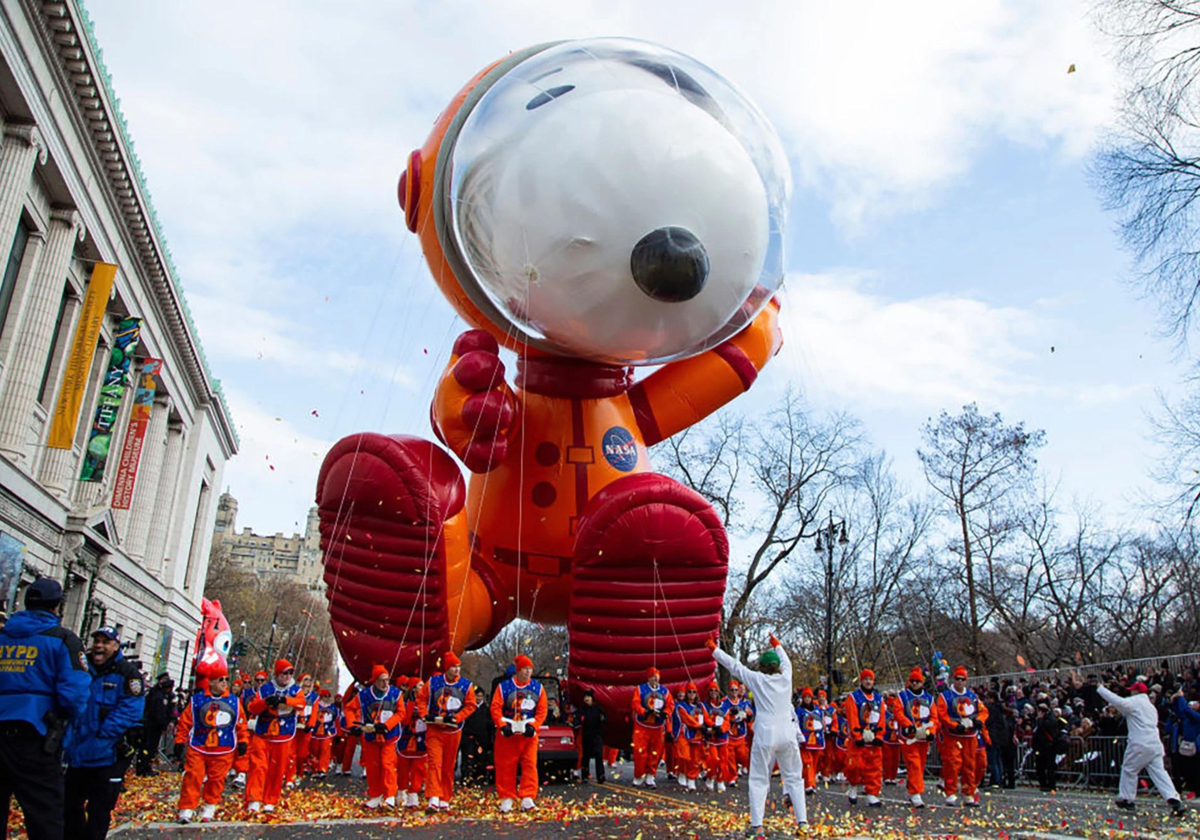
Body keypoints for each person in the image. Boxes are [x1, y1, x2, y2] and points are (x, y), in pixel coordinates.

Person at [0, 578, 90, 840]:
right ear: (56, 607)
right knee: (44, 815)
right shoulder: (62, 640)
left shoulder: (4, 637)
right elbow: (74, 694)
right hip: (36, 734)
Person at [710, 633, 806, 839]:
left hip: (764, 734)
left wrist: (714, 649)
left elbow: (735, 666)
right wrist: (778, 644)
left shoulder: (757, 679)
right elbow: (787, 661)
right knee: (794, 778)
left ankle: (757, 826)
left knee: (759, 779)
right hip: (787, 733)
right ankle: (802, 822)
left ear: (762, 667)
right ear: (777, 666)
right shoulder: (786, 677)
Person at [64, 625, 146, 839]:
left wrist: (102, 733)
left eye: (105, 642)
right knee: (68, 805)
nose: (99, 646)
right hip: (77, 753)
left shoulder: (127, 673)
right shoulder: (81, 666)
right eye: (96, 641)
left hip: (107, 755)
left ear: (116, 645)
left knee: (99, 812)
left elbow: (131, 709)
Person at [1081, 673, 1187, 817]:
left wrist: (1100, 688)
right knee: (1159, 772)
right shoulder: (1150, 707)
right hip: (1155, 743)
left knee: (1129, 769)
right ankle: (1174, 799)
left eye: (1133, 690)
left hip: (1140, 743)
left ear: (1137, 692)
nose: (1131, 692)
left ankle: (1127, 799)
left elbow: (1118, 701)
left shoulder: (1135, 702)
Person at [175, 662, 247, 823]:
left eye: (226, 679)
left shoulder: (234, 702)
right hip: (199, 746)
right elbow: (186, 721)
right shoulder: (197, 700)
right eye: (220, 679)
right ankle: (187, 808)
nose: (224, 683)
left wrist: (243, 741)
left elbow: (240, 723)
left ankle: (210, 805)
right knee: (193, 776)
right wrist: (180, 740)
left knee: (217, 779)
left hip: (223, 748)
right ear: (211, 682)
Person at [417, 652, 477, 811]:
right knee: (434, 763)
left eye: (458, 667)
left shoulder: (466, 685)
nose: (456, 670)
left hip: (453, 731)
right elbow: (421, 699)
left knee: (449, 765)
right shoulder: (433, 683)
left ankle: (445, 797)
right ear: (446, 668)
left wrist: (457, 718)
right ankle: (433, 798)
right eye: (453, 667)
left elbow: (470, 706)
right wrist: (425, 715)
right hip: (434, 730)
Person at [245, 659, 304, 813]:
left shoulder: (296, 690)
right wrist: (266, 702)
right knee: (258, 767)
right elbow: (253, 708)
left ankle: (270, 799)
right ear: (278, 674)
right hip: (263, 734)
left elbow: (301, 704)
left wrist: (285, 700)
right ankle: (254, 798)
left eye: (290, 673)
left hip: (283, 735)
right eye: (285, 673)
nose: (288, 676)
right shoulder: (265, 689)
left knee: (277, 769)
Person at [491, 654, 547, 813]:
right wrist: (502, 725)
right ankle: (507, 797)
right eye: (525, 669)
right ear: (518, 670)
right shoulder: (504, 687)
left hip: (528, 733)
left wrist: (535, 726)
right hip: (508, 733)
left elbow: (542, 710)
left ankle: (527, 797)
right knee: (506, 766)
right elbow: (495, 708)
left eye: (530, 669)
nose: (528, 672)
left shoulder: (538, 688)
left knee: (530, 764)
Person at [935, 666, 988, 807]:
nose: (959, 682)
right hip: (953, 736)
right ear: (954, 679)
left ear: (966, 681)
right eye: (957, 679)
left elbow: (983, 711)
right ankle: (951, 792)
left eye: (962, 679)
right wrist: (954, 725)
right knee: (953, 764)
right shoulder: (945, 696)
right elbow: (942, 714)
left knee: (969, 765)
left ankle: (968, 793)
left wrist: (978, 721)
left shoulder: (972, 696)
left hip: (970, 736)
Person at [351, 664, 402, 808]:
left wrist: (387, 725)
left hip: (389, 736)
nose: (385, 683)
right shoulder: (364, 695)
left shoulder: (395, 694)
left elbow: (400, 713)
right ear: (375, 681)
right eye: (382, 680)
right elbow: (349, 708)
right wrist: (353, 726)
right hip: (371, 736)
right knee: (373, 766)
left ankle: (390, 795)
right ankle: (375, 794)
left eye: (387, 680)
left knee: (388, 764)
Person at [844, 668, 886, 807]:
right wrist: (857, 736)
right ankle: (853, 785)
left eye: (870, 679)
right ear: (861, 681)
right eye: (866, 679)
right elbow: (852, 717)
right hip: (859, 739)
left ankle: (872, 794)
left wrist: (879, 735)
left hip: (873, 739)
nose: (868, 682)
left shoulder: (879, 699)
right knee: (855, 766)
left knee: (874, 767)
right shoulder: (853, 697)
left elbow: (882, 718)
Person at [897, 667, 937, 807]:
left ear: (922, 683)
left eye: (917, 681)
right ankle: (916, 793)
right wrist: (909, 725)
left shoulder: (929, 698)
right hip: (909, 738)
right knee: (913, 763)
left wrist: (931, 731)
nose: (915, 683)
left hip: (923, 738)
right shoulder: (903, 696)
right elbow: (899, 712)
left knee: (920, 765)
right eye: (912, 681)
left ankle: (912, 787)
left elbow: (934, 717)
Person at [630, 667, 672, 787]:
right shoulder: (640, 689)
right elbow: (635, 703)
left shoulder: (665, 692)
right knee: (639, 752)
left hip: (657, 727)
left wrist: (666, 713)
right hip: (642, 726)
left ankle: (650, 776)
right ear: (648, 678)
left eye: (657, 676)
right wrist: (644, 711)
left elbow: (670, 705)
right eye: (653, 676)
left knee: (655, 753)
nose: (655, 679)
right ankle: (638, 775)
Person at [395, 677, 427, 808]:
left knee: (419, 768)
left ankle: (414, 793)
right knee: (402, 767)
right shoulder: (404, 703)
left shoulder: (427, 703)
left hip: (421, 740)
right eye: (420, 685)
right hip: (405, 739)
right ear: (414, 688)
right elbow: (401, 720)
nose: (423, 687)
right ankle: (401, 791)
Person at [137, 673, 174, 776]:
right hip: (152, 725)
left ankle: (146, 766)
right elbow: (158, 712)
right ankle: (143, 767)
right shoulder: (157, 695)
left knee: (151, 748)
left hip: (153, 725)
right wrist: (163, 725)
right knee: (148, 747)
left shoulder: (160, 694)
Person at [701, 680, 733, 792]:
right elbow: (706, 718)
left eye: (715, 690)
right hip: (711, 738)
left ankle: (721, 780)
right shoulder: (705, 706)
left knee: (723, 761)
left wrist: (722, 729)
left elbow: (727, 721)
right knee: (713, 759)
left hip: (722, 738)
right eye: (711, 690)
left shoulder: (725, 706)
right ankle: (710, 777)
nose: (713, 692)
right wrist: (713, 726)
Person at [286, 673, 318, 785]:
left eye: (309, 680)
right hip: (293, 728)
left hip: (305, 730)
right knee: (291, 753)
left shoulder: (314, 697)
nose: (307, 683)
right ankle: (290, 777)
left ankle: (299, 773)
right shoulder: (294, 694)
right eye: (305, 680)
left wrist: (310, 724)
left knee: (302, 754)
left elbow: (314, 713)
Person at [794, 687, 825, 794]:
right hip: (805, 741)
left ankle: (810, 782)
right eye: (805, 697)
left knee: (814, 763)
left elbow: (821, 723)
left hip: (816, 741)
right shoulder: (799, 710)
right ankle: (808, 784)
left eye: (809, 697)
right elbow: (795, 724)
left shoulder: (817, 710)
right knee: (807, 762)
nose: (807, 699)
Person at [674, 683, 705, 790]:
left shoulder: (700, 706)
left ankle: (691, 779)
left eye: (694, 692)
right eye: (690, 692)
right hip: (684, 733)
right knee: (684, 756)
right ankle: (682, 772)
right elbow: (687, 719)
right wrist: (699, 726)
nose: (692, 694)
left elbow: (707, 717)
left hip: (697, 735)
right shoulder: (681, 706)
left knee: (695, 759)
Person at [574, 688, 607, 783]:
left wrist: (603, 719)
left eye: (588, 697)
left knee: (599, 755)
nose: (586, 699)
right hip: (586, 734)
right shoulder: (582, 710)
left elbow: (606, 719)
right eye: (585, 697)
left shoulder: (598, 709)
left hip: (597, 734)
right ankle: (585, 775)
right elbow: (577, 720)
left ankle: (601, 776)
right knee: (586, 756)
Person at [726, 680, 754, 780]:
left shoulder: (744, 703)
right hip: (729, 734)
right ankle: (732, 777)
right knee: (730, 757)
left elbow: (750, 715)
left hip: (741, 733)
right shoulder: (724, 702)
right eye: (732, 690)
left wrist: (747, 716)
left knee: (743, 755)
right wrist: (729, 713)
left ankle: (741, 767)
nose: (734, 692)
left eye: (736, 690)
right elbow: (720, 714)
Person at [309, 687, 337, 777]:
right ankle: (314, 768)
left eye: (328, 696)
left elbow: (335, 718)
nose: (327, 698)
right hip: (316, 732)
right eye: (325, 696)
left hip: (327, 732)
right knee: (315, 750)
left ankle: (322, 769)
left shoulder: (332, 707)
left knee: (325, 751)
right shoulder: (316, 705)